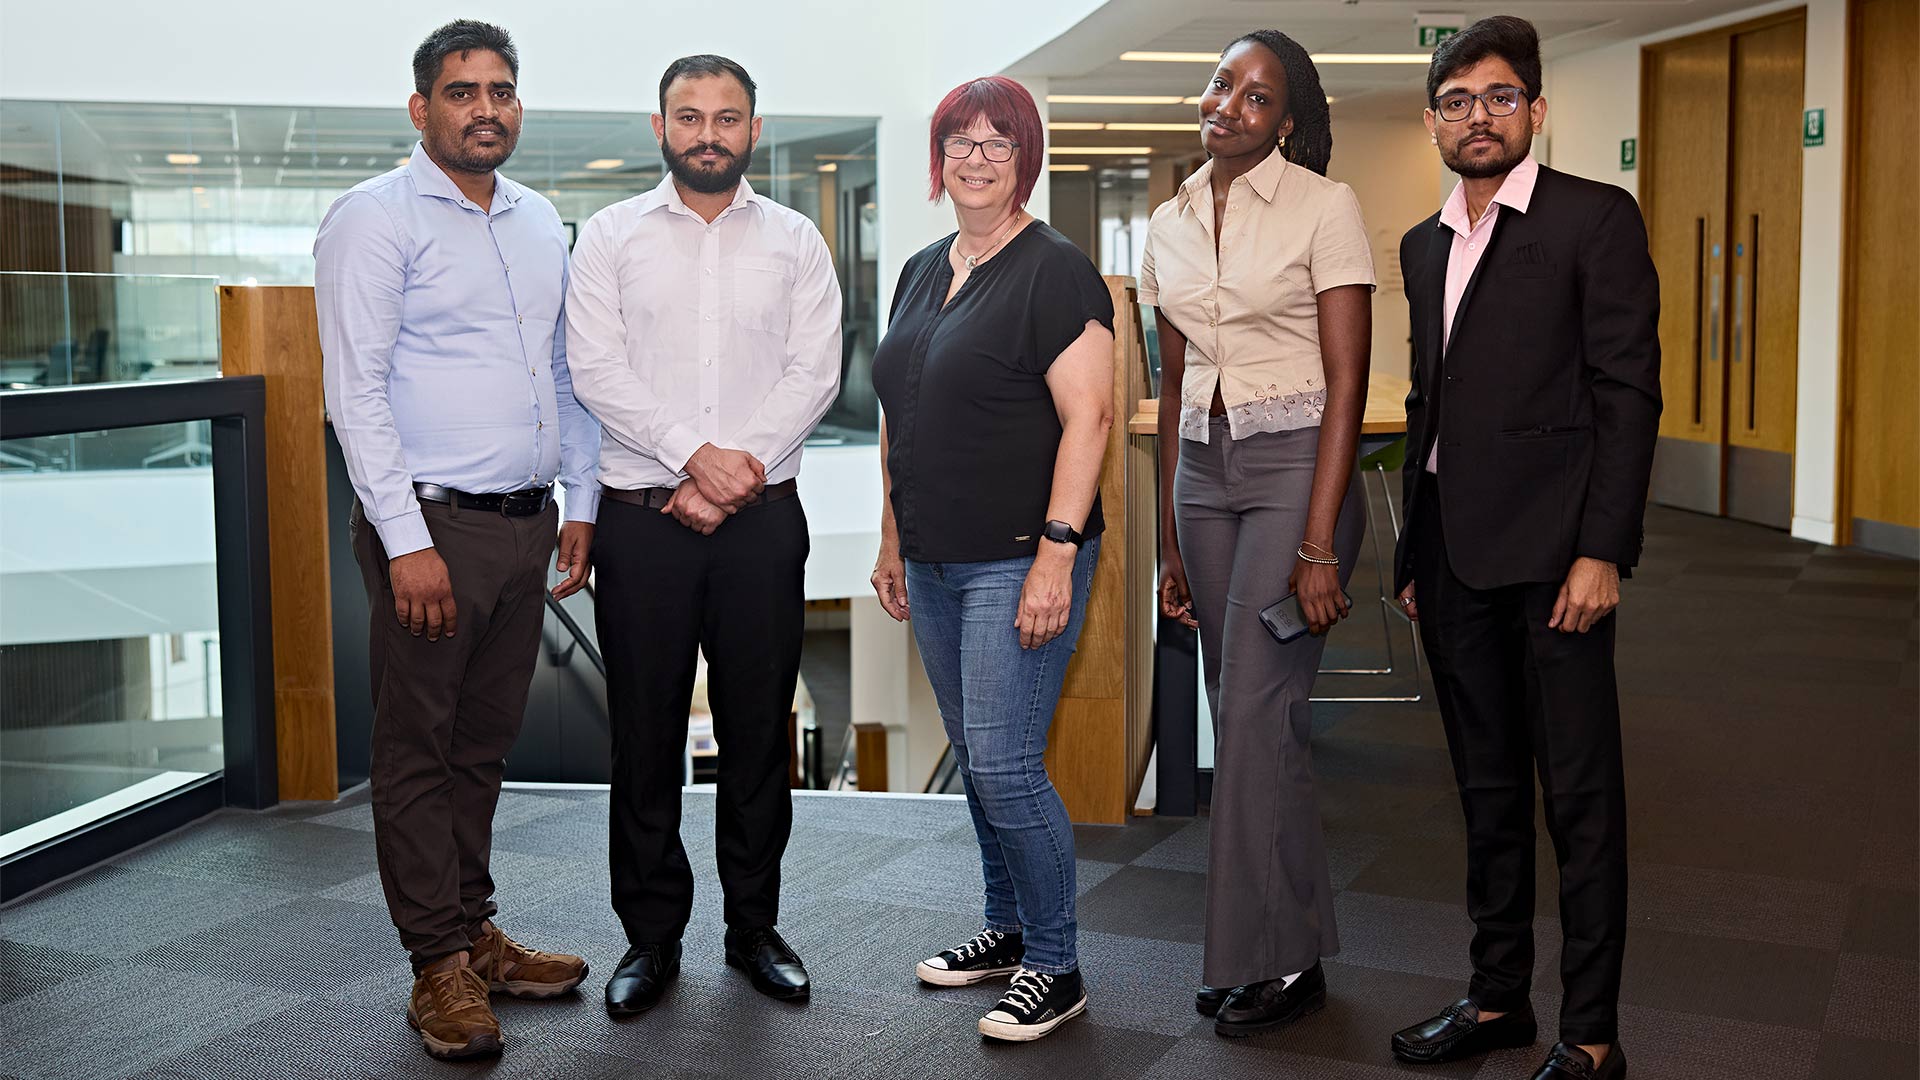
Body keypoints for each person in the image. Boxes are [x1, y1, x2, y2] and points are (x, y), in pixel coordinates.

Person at [314, 19, 598, 1062]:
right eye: (463, 90)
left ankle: (472, 932)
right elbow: (356, 392)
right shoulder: (373, 220)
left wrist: (584, 502)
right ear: (421, 107)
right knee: (417, 749)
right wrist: (403, 540)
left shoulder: (537, 220)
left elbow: (562, 377)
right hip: (429, 526)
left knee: (484, 745)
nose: (487, 107)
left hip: (526, 526)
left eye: (503, 90)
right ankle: (434, 962)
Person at [1387, 17, 1660, 1080]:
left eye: (1499, 98)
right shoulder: (1422, 244)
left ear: (1535, 111)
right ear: (1434, 123)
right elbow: (1430, 403)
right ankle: (1497, 996)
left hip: (1558, 563)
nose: (1478, 118)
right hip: (1453, 555)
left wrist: (1604, 550)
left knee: (1581, 801)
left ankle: (1591, 1035)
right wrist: (1411, 554)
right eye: (1457, 103)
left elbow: (1626, 395)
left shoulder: (1595, 220)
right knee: (1486, 790)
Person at [564, 54, 842, 1018]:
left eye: (728, 118)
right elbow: (595, 369)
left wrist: (731, 478)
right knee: (641, 735)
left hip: (762, 528)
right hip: (642, 530)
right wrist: (693, 458)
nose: (709, 133)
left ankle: (754, 928)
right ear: (660, 129)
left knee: (761, 732)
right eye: (691, 117)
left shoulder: (799, 241)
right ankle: (650, 938)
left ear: (754, 130)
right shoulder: (608, 238)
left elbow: (816, 375)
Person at [869, 76, 1114, 1043]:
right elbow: (901, 408)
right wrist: (892, 536)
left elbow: (1088, 418)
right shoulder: (925, 267)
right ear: (939, 159)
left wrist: (1056, 556)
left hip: (1016, 558)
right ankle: (1008, 931)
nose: (976, 158)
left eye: (997, 143)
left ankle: (1057, 964)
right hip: (931, 557)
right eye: (959, 142)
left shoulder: (1056, 271)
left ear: (1026, 159)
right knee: (977, 760)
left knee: (1008, 765)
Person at [1141, 30, 1374, 1038]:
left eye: (1258, 94)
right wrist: (1166, 542)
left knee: (1251, 721)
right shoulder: (1168, 221)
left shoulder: (1326, 208)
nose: (1232, 102)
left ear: (1286, 119)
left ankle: (1261, 960)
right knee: (1250, 715)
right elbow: (1173, 385)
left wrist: (1321, 542)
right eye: (1223, 82)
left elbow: (1349, 385)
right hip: (1204, 473)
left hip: (1294, 477)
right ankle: (1296, 951)